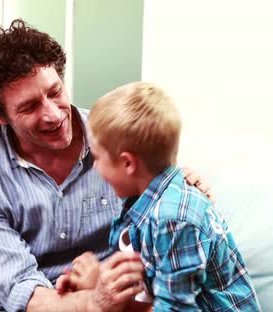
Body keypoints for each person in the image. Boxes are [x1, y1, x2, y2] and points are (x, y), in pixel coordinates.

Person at [0, 19, 212, 312]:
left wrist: (182, 185)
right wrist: (93, 301)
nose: (53, 114)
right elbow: (21, 291)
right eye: (30, 107)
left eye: (55, 92)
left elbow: (166, 222)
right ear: (0, 117)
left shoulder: (119, 138)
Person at [57, 82, 260, 311]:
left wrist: (99, 291)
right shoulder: (144, 203)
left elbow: (174, 308)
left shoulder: (172, 219)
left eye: (98, 158)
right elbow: (148, 280)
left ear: (127, 163)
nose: (95, 169)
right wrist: (97, 284)